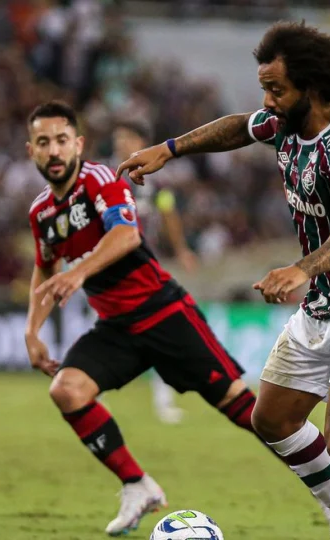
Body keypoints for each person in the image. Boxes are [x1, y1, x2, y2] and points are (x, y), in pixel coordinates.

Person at [118, 21, 330, 540]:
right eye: (265, 87)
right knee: (273, 419)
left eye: (277, 89)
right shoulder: (284, 122)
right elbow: (240, 126)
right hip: (328, 302)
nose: (268, 100)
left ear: (313, 87)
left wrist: (301, 269)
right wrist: (169, 150)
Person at [23, 101, 266, 536]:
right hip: (116, 328)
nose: (54, 150)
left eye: (61, 140)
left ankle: (323, 473)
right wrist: (32, 330)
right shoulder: (42, 213)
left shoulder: (101, 180)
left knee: (246, 411)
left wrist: (77, 272)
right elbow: (44, 267)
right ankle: (137, 485)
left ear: (77, 144)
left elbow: (126, 234)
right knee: (68, 390)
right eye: (44, 143)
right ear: (32, 152)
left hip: (162, 311)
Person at [113, 119, 199, 425]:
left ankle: (163, 401)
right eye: (118, 138)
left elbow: (168, 213)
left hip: (144, 264)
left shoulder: (158, 181)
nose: (121, 143)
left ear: (142, 141)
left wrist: (181, 250)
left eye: (127, 137)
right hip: (111, 266)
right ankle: (85, 391)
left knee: (160, 328)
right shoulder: (109, 178)